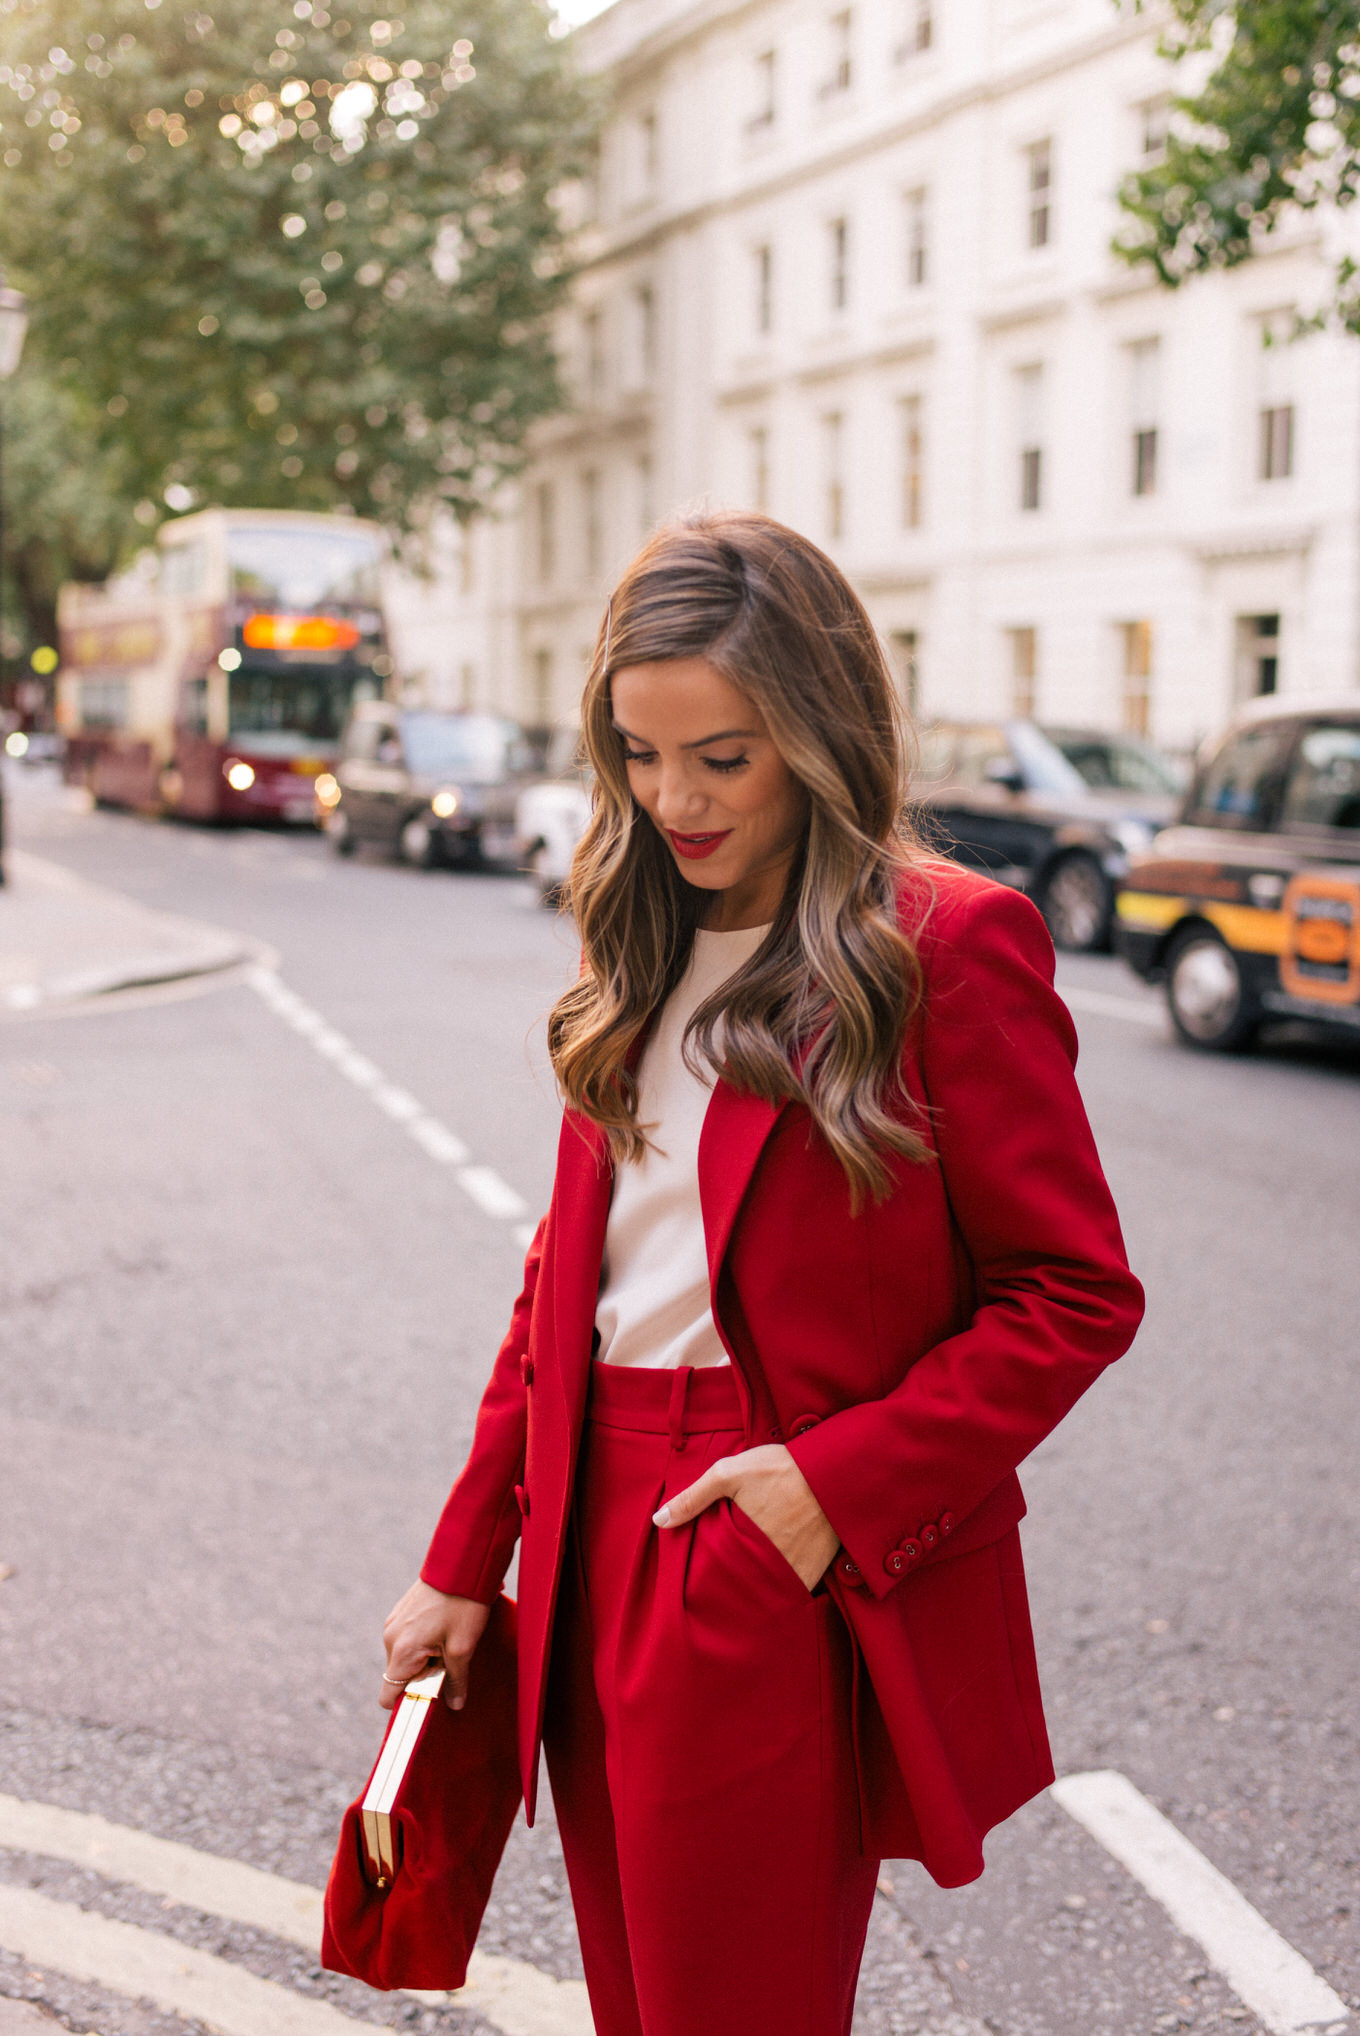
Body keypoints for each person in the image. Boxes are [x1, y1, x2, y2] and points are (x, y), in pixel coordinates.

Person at [379, 513, 1144, 2036]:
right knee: (639, 2005)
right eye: (640, 753)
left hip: (751, 1530)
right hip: (589, 1522)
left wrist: (831, 1488)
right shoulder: (639, 933)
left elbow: (1076, 1292)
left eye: (722, 757)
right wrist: (469, 1557)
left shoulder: (943, 947)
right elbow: (565, 1287)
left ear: (817, 727)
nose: (673, 798)